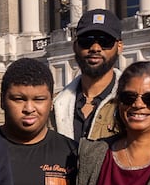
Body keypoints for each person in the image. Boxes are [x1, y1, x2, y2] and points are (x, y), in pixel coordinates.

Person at [52, 9, 122, 141]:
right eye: (87, 41)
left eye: (105, 41)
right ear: (75, 46)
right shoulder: (55, 106)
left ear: (119, 46)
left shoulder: (131, 102)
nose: (95, 48)